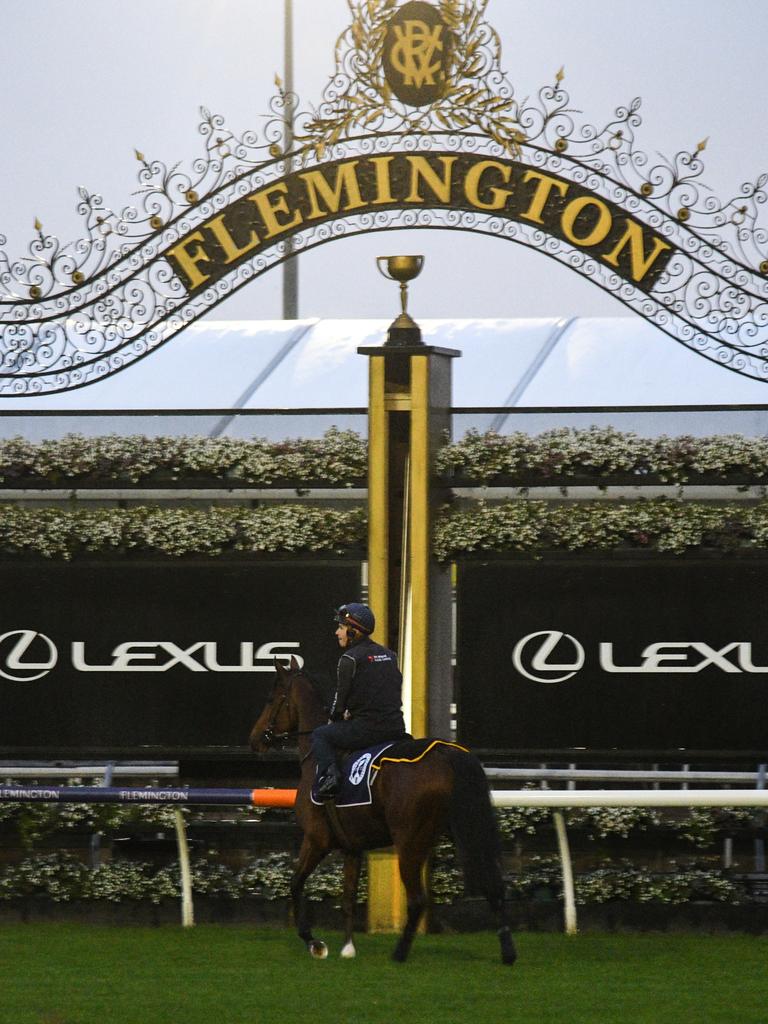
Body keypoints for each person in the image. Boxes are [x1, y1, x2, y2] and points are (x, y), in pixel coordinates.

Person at [312, 602, 407, 799]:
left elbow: (339, 702)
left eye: (341, 628)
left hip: (368, 730)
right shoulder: (391, 655)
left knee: (321, 735)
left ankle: (330, 780)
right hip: (396, 728)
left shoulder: (349, 658)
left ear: (354, 632)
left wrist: (336, 718)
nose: (337, 633)